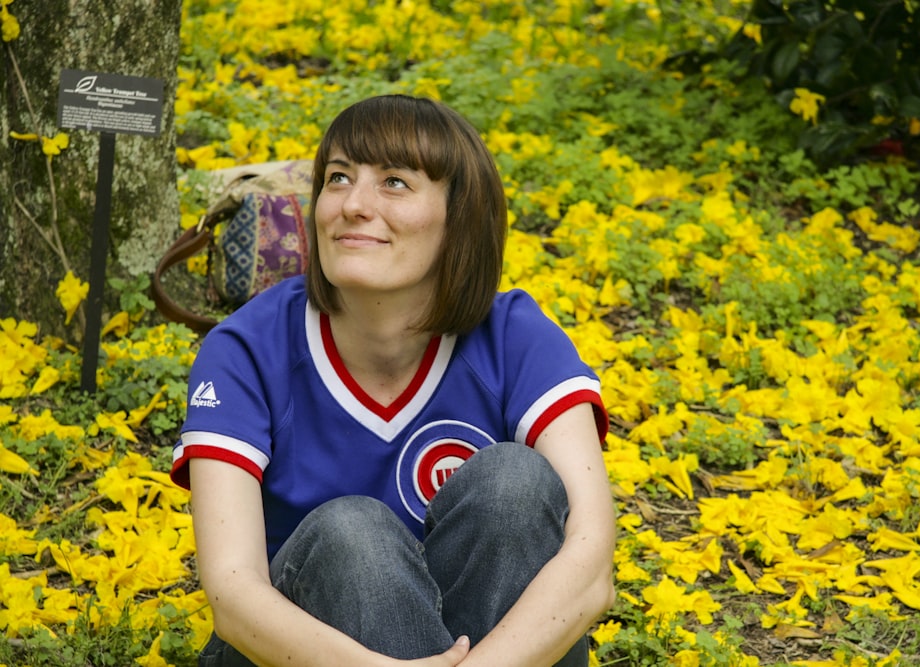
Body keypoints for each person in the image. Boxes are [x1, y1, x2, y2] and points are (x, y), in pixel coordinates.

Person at [171, 94, 616, 667]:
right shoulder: (246, 350)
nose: (353, 205)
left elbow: (591, 562)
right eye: (337, 178)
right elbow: (232, 595)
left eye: (395, 183)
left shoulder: (515, 336)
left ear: (461, 215)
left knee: (517, 482)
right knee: (351, 534)